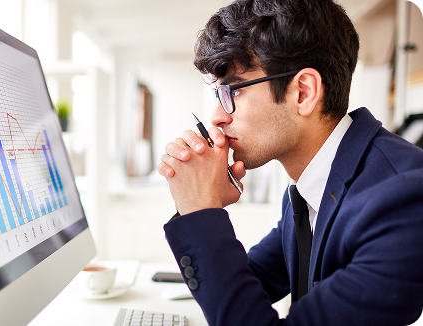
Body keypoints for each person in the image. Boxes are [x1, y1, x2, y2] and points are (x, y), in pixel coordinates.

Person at [157, 0, 423, 325]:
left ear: (303, 93)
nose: (216, 117)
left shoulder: (405, 202)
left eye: (233, 92)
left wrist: (201, 211)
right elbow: (250, 284)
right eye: (218, 96)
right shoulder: (309, 187)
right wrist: (198, 204)